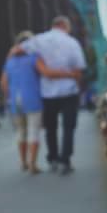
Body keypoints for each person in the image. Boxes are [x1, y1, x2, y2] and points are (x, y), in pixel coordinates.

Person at [13, 16, 86, 175]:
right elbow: (79, 70)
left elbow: (16, 50)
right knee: (68, 127)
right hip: (69, 91)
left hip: (47, 93)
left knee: (51, 127)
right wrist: (69, 75)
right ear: (65, 26)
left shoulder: (39, 40)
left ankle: (52, 157)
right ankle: (65, 160)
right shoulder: (72, 43)